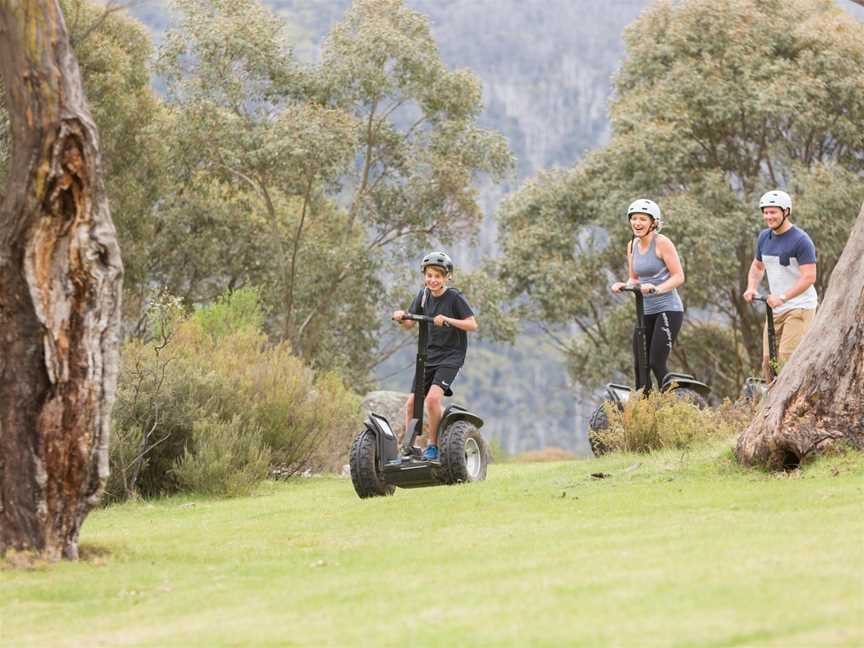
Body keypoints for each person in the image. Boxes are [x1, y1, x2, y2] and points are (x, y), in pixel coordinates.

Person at [392, 251, 478, 461]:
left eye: (438, 276)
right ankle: (409, 447)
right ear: (425, 275)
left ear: (447, 277)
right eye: (429, 275)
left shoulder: (454, 298)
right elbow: (410, 324)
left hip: (451, 356)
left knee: (432, 400)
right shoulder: (423, 296)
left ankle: (434, 446)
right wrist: (401, 316)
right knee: (412, 403)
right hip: (428, 355)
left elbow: (472, 325)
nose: (433, 280)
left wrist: (447, 319)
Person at [610, 199, 685, 393]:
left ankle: (673, 406)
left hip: (668, 309)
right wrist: (624, 285)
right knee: (640, 365)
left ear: (653, 222)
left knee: (655, 362)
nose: (637, 223)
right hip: (646, 311)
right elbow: (634, 278)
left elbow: (678, 277)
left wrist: (657, 288)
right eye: (634, 218)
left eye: (643, 219)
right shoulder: (632, 245)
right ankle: (645, 411)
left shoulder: (662, 243)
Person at [742, 190, 817, 379]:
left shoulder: (801, 240)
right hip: (775, 308)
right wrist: (751, 287)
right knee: (768, 362)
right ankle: (769, 406)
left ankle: (792, 404)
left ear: (786, 212)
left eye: (773, 212)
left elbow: (809, 277)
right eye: (765, 212)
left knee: (785, 359)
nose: (768, 217)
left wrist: (783, 297)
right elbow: (758, 267)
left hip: (799, 307)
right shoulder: (764, 237)